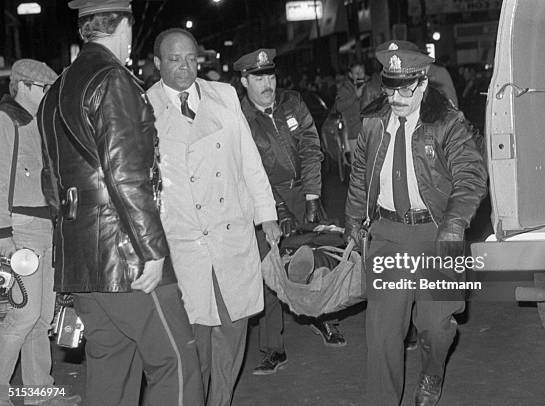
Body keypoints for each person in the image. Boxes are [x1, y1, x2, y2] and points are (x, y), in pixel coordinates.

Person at [37, 2, 204, 405]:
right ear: (124, 25)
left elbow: (51, 182)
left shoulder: (57, 89)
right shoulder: (113, 80)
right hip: (126, 257)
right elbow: (126, 174)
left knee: (111, 367)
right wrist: (152, 251)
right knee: (176, 365)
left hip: (81, 262)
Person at [344, 40, 487, 405]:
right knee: (382, 332)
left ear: (423, 82)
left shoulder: (447, 122)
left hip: (436, 232)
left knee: (436, 328)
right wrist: (353, 222)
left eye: (406, 89)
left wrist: (455, 224)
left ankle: (432, 371)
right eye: (390, 88)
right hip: (388, 234)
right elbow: (360, 174)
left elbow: (470, 174)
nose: (396, 98)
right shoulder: (374, 122)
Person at [147, 29, 281, 406]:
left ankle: (219, 401)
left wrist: (266, 214)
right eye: (175, 59)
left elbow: (248, 159)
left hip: (230, 234)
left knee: (233, 329)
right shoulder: (144, 106)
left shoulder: (224, 97)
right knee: (195, 340)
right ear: (157, 64)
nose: (185, 67)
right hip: (184, 242)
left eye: (191, 59)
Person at [234, 48, 347, 376]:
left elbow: (311, 147)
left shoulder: (292, 103)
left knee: (318, 261)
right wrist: (276, 210)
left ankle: (324, 320)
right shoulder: (240, 118)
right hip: (265, 202)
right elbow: (249, 170)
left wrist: (312, 196)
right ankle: (273, 349)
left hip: (304, 193)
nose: (267, 83)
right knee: (271, 274)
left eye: (270, 75)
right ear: (244, 81)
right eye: (258, 78)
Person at [0, 60, 80, 406]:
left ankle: (38, 393)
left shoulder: (39, 123)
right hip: (22, 228)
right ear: (21, 86)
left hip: (45, 227)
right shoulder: (6, 119)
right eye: (42, 88)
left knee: (42, 317)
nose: (48, 94)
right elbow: (1, 177)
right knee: (22, 316)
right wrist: (3, 234)